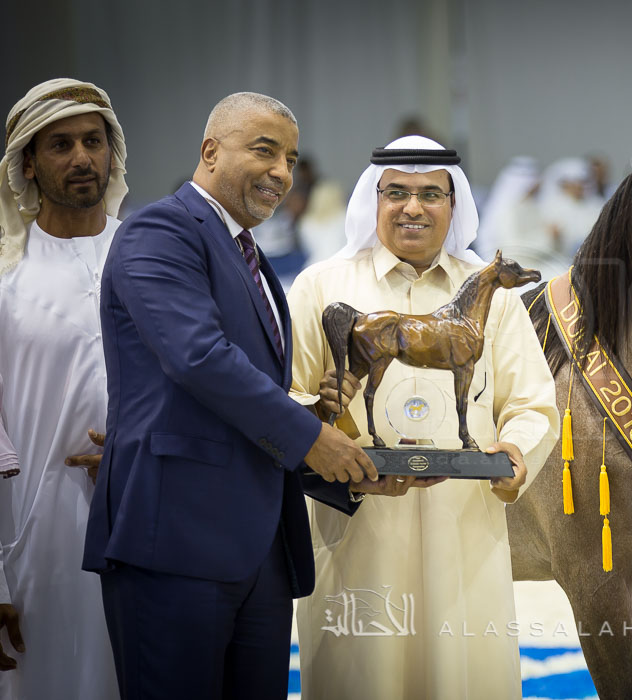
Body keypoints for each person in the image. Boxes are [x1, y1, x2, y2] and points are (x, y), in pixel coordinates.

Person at [82, 92, 378, 700]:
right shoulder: (160, 229)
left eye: (291, 159)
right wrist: (312, 439)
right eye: (265, 151)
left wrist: (326, 429)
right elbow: (199, 358)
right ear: (210, 151)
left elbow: (248, 392)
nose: (281, 172)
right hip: (175, 540)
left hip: (260, 550)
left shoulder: (252, 256)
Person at [288, 135, 559, 699]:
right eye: (397, 193)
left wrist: (515, 453)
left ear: (453, 205)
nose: (413, 207)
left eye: (431, 194)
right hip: (355, 533)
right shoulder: (321, 286)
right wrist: (322, 419)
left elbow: (532, 404)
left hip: (464, 535)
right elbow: (283, 400)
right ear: (375, 199)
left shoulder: (496, 301)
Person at [0, 78, 128, 699]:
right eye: (60, 145)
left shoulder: (156, 257)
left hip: (151, 524)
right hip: (32, 543)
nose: (82, 157)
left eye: (93, 141)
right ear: (27, 163)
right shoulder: (6, 274)